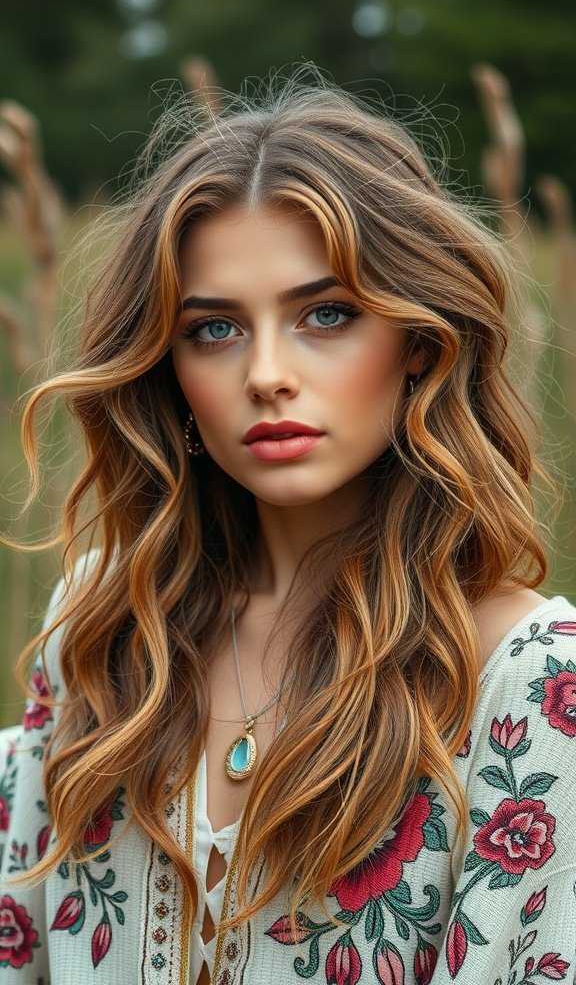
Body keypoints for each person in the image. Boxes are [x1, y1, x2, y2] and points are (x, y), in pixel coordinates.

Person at [1, 72, 575, 985]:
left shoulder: (534, 685)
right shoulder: (103, 623)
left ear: (420, 344)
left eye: (327, 315)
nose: (267, 373)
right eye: (216, 330)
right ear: (168, 372)